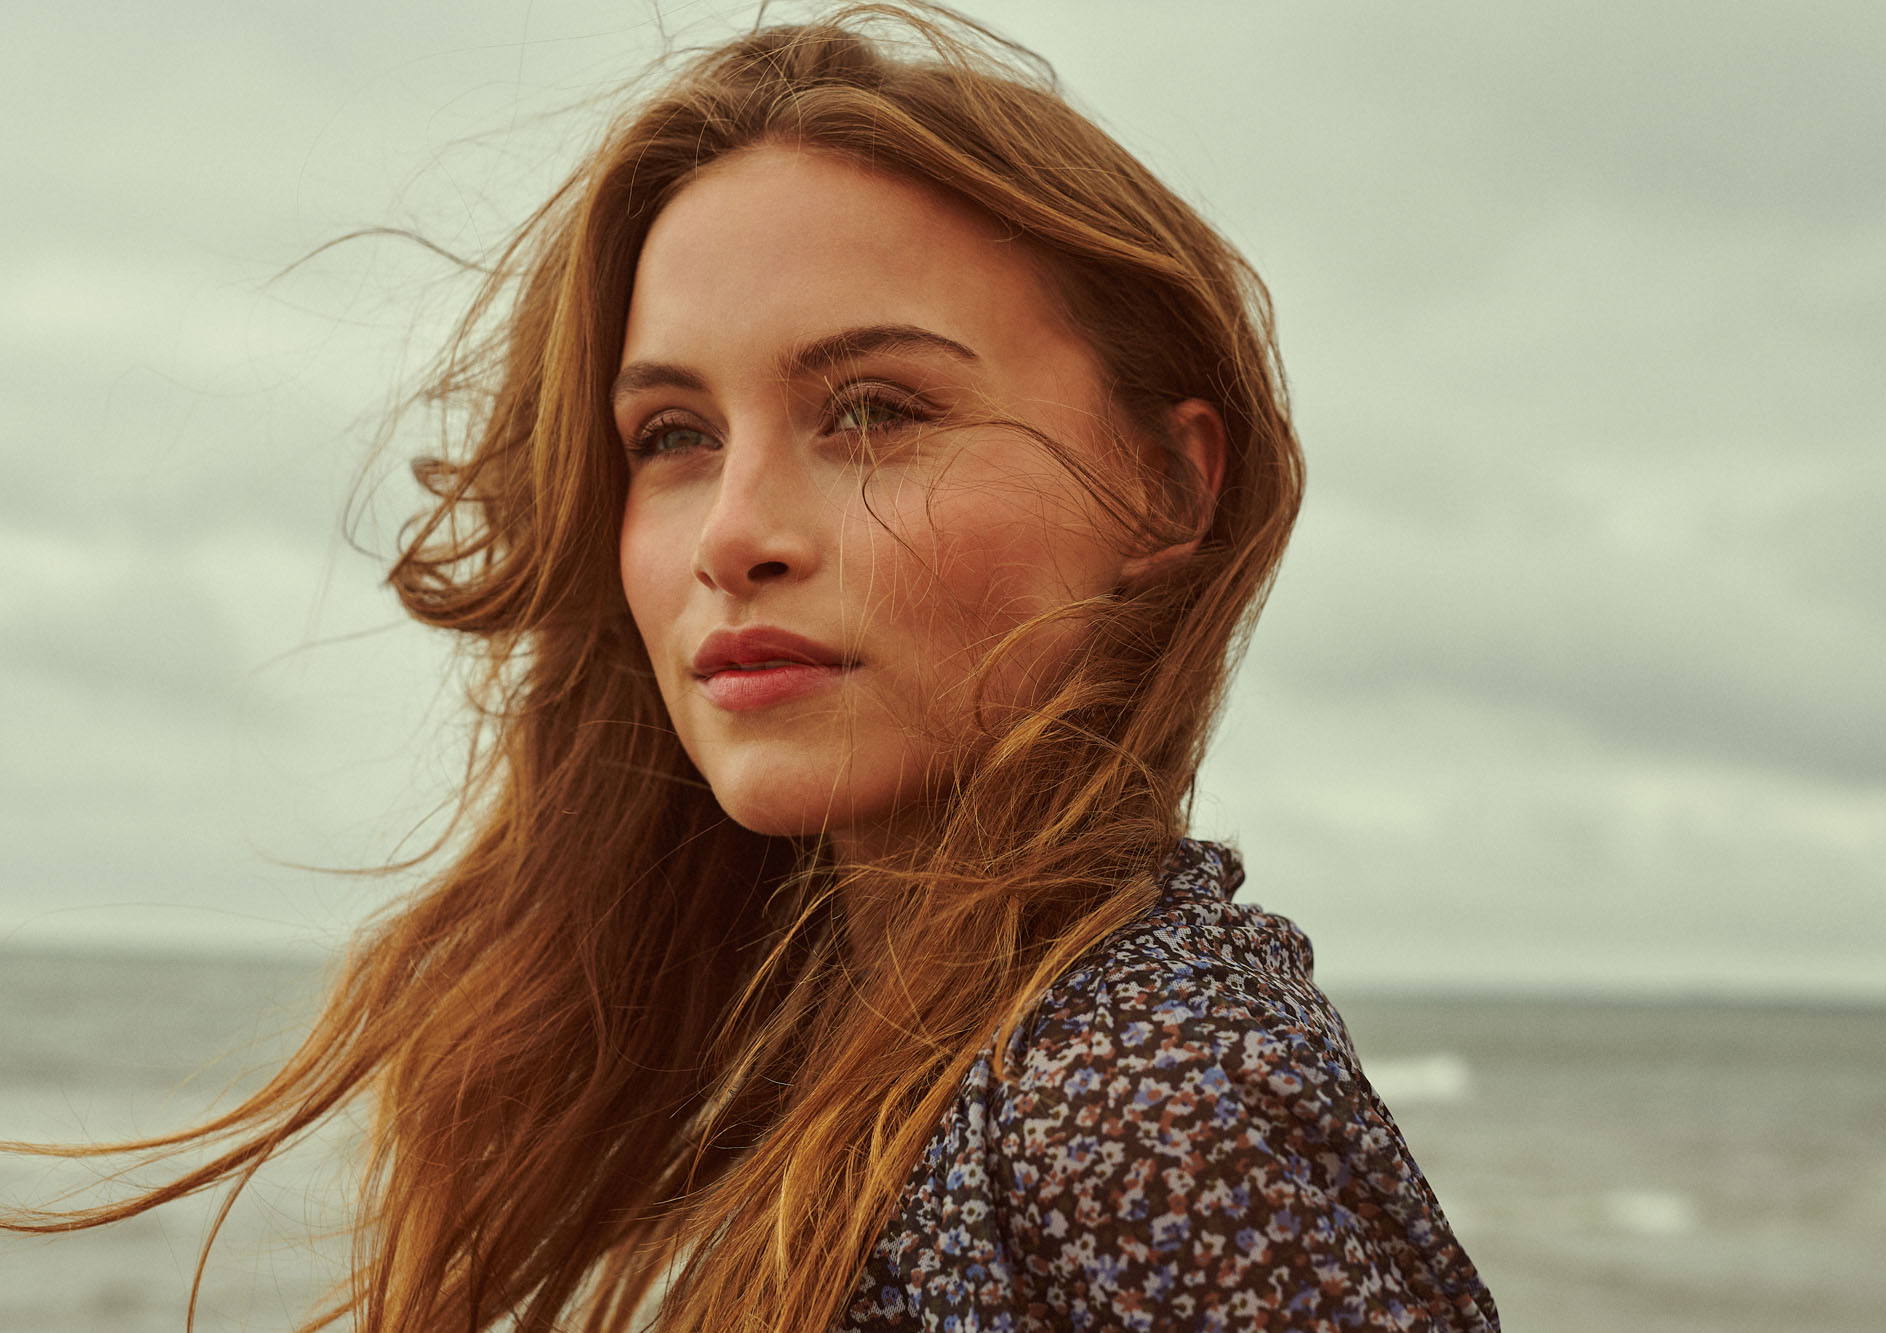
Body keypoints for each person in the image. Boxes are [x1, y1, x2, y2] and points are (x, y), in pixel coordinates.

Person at [5, 5, 1499, 1330]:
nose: (733, 533)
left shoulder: (1143, 1108)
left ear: (1166, 489)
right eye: (673, 436)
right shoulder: (941, 1064)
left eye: (872, 410)